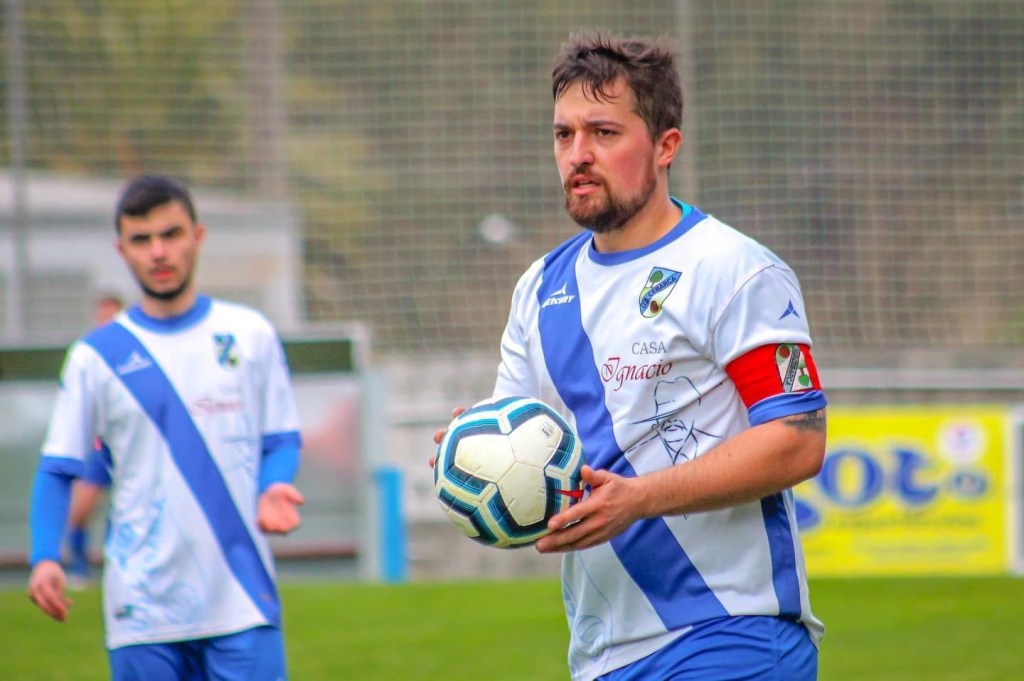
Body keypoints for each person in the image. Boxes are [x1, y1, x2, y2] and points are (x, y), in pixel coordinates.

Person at [433, 32, 828, 680]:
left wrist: (640, 497)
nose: (578, 155)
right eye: (564, 135)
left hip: (732, 633)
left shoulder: (733, 270)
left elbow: (796, 440)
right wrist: (473, 455)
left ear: (666, 145)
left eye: (604, 132)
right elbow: (525, 439)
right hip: (603, 654)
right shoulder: (539, 288)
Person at [27, 174, 306, 681]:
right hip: (142, 611)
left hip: (243, 600)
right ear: (121, 250)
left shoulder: (250, 334)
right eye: (141, 239)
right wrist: (47, 555)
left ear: (197, 236)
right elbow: (57, 468)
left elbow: (282, 437)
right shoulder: (95, 357)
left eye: (171, 234)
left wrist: (274, 485)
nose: (158, 252)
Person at [65, 294, 125, 588]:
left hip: (130, 445)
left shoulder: (135, 351)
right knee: (79, 511)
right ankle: (79, 568)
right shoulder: (88, 356)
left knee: (129, 509)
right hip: (100, 448)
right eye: (102, 316)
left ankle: (121, 567)